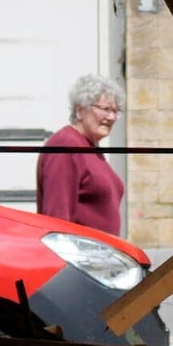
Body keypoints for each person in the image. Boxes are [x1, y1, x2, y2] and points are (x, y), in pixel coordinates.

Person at [35, 74, 126, 236]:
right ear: (79, 110)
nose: (111, 117)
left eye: (115, 111)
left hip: (101, 255)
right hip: (80, 257)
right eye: (105, 109)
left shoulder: (91, 148)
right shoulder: (66, 144)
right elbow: (57, 219)